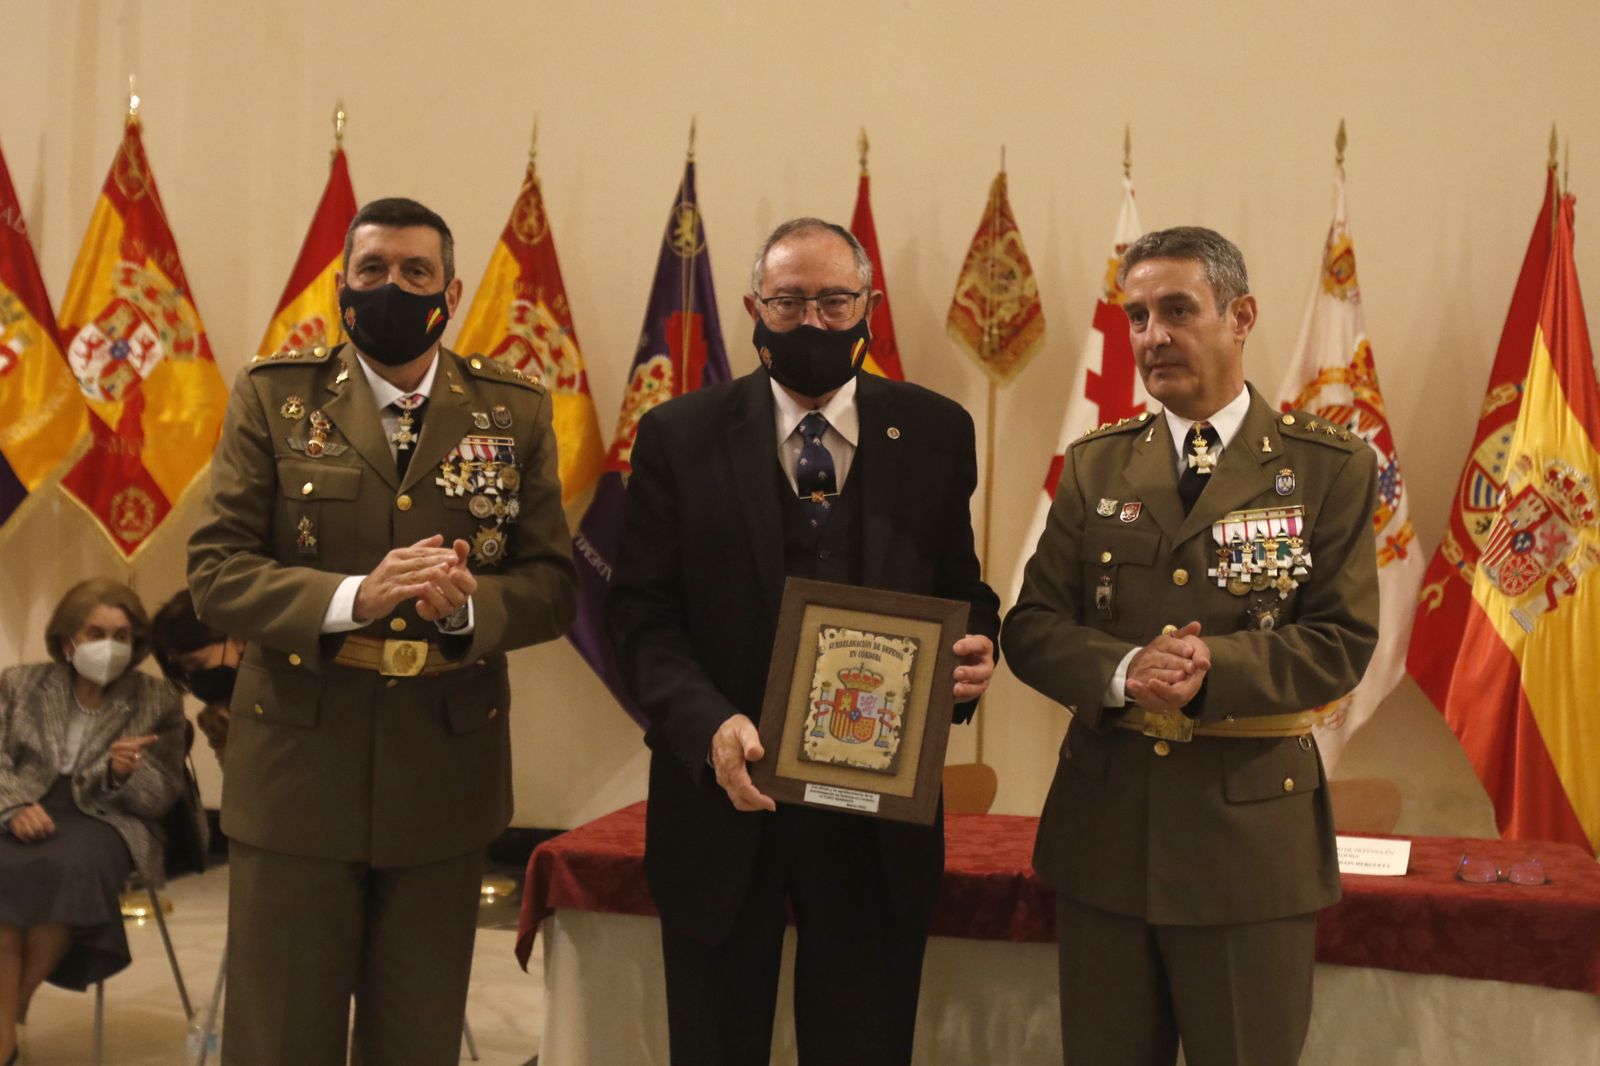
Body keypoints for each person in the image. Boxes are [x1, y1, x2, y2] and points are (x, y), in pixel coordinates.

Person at [187, 197, 576, 1066]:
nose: (391, 287)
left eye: (414, 273)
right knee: (281, 1036)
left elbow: (553, 587)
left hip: (444, 770)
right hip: (297, 765)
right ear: (341, 286)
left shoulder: (512, 412)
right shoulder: (273, 399)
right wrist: (351, 599)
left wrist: (472, 608)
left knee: (416, 1037)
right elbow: (215, 572)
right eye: (372, 271)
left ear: (453, 290)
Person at [608, 217, 1001, 1066]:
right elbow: (641, 617)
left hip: (875, 821)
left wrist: (975, 649)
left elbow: (959, 590)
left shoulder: (935, 431)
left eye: (834, 301)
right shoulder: (678, 435)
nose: (813, 322)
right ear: (754, 307)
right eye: (789, 303)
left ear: (869, 305)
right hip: (722, 803)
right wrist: (709, 725)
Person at [1004, 226, 1379, 1066]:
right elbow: (1030, 627)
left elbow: (1341, 641)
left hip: (1248, 843)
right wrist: (1122, 669)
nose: (1151, 336)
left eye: (1176, 310)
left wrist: (1219, 668)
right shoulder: (1096, 467)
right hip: (1107, 835)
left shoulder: (1326, 468)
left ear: (1240, 315)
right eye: (1137, 316)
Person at [0, 578, 185, 1066]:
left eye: (121, 636)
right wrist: (14, 806)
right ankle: (5, 1035)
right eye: (95, 632)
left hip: (107, 816)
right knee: (7, 885)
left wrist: (121, 773)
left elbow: (163, 795)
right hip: (20, 806)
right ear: (67, 641)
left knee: (69, 869)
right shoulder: (20, 684)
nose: (108, 646)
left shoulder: (157, 699)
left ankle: (9, 1012)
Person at [151, 589, 242, 762]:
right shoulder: (216, 721)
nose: (194, 678)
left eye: (198, 664)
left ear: (236, 639)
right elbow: (242, 783)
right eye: (185, 670)